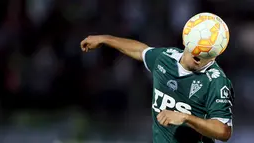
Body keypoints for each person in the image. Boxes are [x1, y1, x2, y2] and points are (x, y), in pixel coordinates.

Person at [80, 34, 234, 143]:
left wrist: (186, 118)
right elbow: (141, 51)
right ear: (186, 40)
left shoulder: (216, 81)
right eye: (200, 47)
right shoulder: (165, 58)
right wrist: (105, 39)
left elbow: (223, 131)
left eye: (210, 52)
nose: (202, 54)